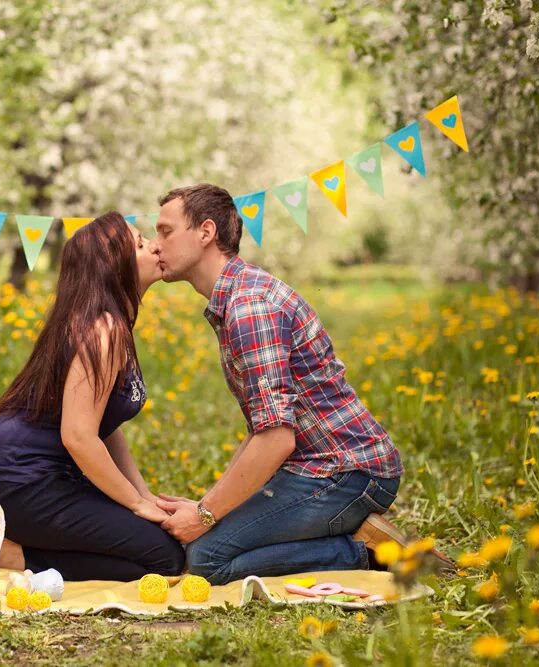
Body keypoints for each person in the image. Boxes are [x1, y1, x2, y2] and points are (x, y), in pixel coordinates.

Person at [151, 183, 453, 584]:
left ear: (205, 232)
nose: (156, 245)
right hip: (311, 469)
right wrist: (208, 506)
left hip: (345, 474)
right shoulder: (238, 298)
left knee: (208, 559)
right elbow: (264, 428)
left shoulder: (249, 308)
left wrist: (206, 515)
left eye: (165, 231)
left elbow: (276, 439)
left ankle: (368, 551)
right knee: (211, 541)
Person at [0, 211, 185, 581]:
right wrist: (134, 504)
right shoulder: (105, 331)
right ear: (114, 266)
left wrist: (144, 496)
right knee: (163, 557)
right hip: (19, 481)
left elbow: (104, 425)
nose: (153, 245)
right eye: (138, 243)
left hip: (47, 475)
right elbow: (79, 437)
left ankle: (29, 545)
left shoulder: (108, 323)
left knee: (157, 543)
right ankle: (14, 555)